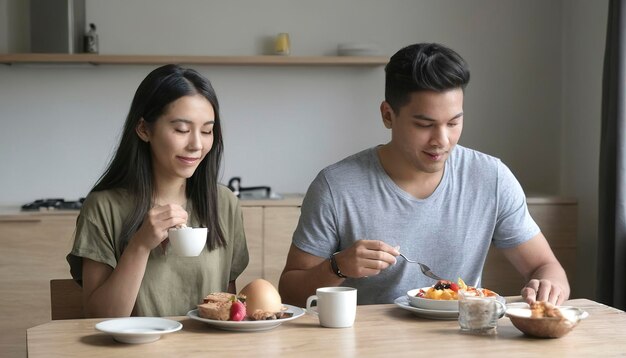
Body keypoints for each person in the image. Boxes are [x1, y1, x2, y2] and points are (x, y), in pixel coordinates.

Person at [279, 43, 570, 307]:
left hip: (464, 338)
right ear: (387, 115)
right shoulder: (336, 187)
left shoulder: (491, 178)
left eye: (454, 122)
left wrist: (548, 285)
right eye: (424, 125)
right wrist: (337, 267)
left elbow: (546, 267)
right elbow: (289, 294)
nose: (441, 140)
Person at [67, 64, 249, 317]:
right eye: (181, 130)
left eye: (207, 131)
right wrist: (140, 245)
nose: (197, 144)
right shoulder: (103, 208)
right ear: (144, 129)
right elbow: (99, 317)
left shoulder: (224, 203)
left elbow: (225, 311)